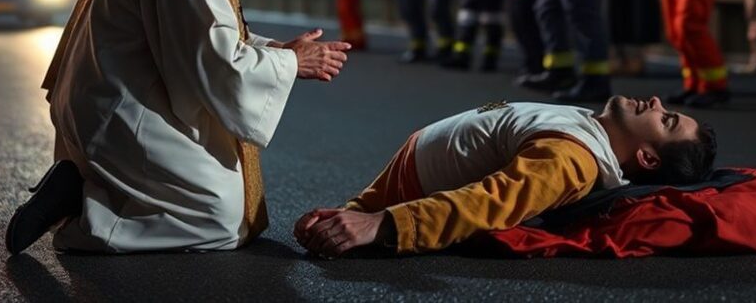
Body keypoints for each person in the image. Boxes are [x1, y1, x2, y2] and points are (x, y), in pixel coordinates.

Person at [5, 0, 351, 255]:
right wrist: (292, 61)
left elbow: (200, 35)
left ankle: (96, 191)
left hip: (119, 95)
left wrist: (277, 49)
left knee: (226, 197)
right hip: (119, 108)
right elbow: (212, 60)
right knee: (220, 217)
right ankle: (86, 212)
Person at [294, 95, 716, 257]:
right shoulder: (589, 126)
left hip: (411, 188)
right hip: (406, 176)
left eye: (668, 120)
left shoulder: (573, 159)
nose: (658, 102)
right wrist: (355, 210)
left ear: (646, 158)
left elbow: (488, 202)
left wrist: (381, 222)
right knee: (328, 230)